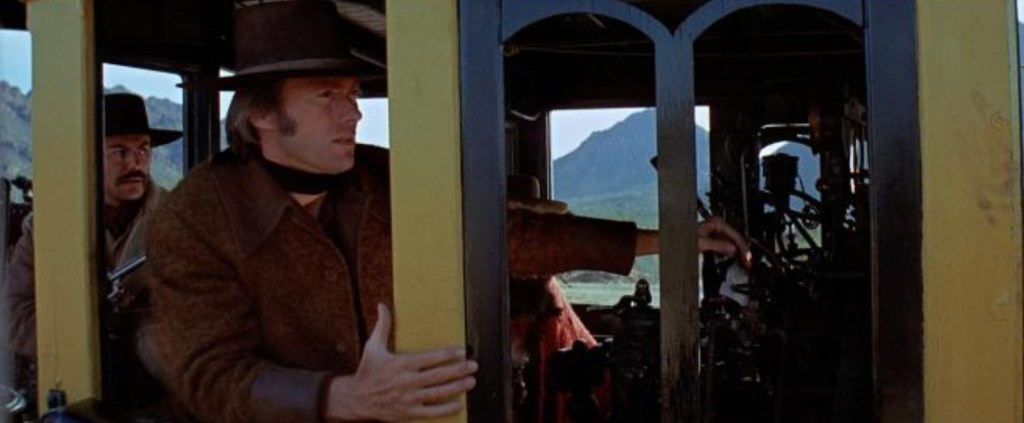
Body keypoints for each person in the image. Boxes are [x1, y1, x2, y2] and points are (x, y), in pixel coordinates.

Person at [146, 2, 749, 423]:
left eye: (353, 94)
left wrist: (673, 238)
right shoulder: (195, 218)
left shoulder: (381, 175)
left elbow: (506, 236)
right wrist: (341, 398)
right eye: (327, 95)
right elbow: (210, 375)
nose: (353, 113)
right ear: (260, 115)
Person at [3, 92, 181, 408]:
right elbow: (14, 319)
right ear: (88, 155)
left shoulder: (179, 218)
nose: (135, 163)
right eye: (119, 152)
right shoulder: (49, 225)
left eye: (143, 150)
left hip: (161, 392)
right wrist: (88, 335)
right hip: (71, 388)